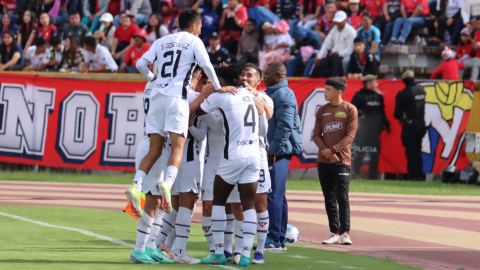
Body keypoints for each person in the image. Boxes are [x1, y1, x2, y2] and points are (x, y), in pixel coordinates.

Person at [129, 10, 233, 264]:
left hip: (152, 124)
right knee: (176, 152)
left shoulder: (160, 46)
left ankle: (137, 190)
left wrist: (153, 77)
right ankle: (142, 249)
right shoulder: (193, 50)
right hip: (175, 116)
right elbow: (206, 65)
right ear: (196, 26)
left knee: (154, 199)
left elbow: (141, 64)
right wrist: (217, 88)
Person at [195, 65, 260, 267]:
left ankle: (217, 252)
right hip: (254, 156)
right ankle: (246, 254)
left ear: (223, 82)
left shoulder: (222, 95)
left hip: (233, 156)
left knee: (218, 202)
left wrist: (210, 92)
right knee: (248, 203)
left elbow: (196, 111)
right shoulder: (249, 94)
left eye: (217, 81)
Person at [131, 61, 175, 265]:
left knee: (160, 202)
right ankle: (139, 250)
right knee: (153, 201)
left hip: (156, 146)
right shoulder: (164, 89)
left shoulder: (153, 85)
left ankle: (150, 247)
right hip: (153, 147)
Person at [263, 62, 304, 250]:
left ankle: (275, 237)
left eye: (267, 73)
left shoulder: (284, 94)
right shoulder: (271, 93)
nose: (264, 76)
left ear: (279, 75)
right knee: (278, 195)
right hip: (274, 150)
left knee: (273, 195)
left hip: (279, 152)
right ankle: (278, 237)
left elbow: (286, 125)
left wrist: (273, 150)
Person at [313, 77, 357, 246]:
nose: (325, 92)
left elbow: (350, 136)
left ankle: (345, 233)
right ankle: (335, 232)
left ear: (339, 91)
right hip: (324, 161)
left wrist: (332, 151)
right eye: (325, 88)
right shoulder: (322, 110)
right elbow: (316, 135)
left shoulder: (349, 109)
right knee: (329, 197)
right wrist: (326, 152)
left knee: (342, 197)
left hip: (341, 160)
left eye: (328, 89)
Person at [241, 62, 274, 264]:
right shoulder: (232, 94)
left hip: (258, 155)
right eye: (243, 74)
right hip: (236, 154)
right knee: (235, 204)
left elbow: (269, 114)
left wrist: (256, 97)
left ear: (258, 80)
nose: (245, 77)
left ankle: (259, 251)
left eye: (250, 75)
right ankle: (234, 249)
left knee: (260, 202)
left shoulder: (263, 96)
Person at [351, 75, 389, 179]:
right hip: (363, 131)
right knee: (360, 152)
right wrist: (359, 112)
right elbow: (351, 109)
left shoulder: (378, 97)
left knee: (375, 154)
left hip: (375, 130)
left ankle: (373, 176)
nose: (377, 85)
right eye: (374, 83)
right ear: (368, 84)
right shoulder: (359, 96)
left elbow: (381, 112)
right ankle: (355, 173)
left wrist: (386, 123)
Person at [393, 70, 426, 181]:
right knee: (418, 150)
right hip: (421, 124)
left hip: (410, 125)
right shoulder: (421, 90)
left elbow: (397, 113)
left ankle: (413, 176)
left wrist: (402, 117)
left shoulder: (405, 93)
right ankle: (420, 176)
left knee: (411, 152)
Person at [313, 11, 356, 77]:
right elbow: (326, 44)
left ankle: (334, 82)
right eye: (337, 22)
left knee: (336, 62)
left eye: (340, 22)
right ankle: (322, 81)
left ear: (345, 20)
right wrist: (319, 56)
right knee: (320, 63)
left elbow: (350, 48)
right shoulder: (334, 30)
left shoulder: (351, 31)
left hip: (344, 55)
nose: (338, 23)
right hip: (333, 54)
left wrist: (339, 54)